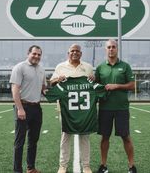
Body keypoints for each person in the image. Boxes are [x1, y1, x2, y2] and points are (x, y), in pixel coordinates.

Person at [50, 44, 94, 173]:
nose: (75, 53)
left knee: (84, 136)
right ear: (68, 53)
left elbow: (92, 85)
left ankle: (86, 165)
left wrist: (93, 78)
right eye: (72, 51)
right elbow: (51, 83)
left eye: (77, 51)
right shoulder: (60, 67)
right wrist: (58, 79)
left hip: (83, 110)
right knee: (66, 136)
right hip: (65, 109)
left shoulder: (88, 67)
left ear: (81, 53)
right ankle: (63, 165)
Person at [95, 39, 137, 173]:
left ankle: (131, 166)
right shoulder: (100, 67)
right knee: (105, 137)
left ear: (117, 49)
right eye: (109, 47)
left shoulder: (125, 66)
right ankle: (103, 165)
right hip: (105, 108)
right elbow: (95, 86)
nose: (111, 49)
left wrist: (117, 86)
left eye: (113, 47)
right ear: (105, 49)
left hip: (121, 108)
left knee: (126, 136)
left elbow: (132, 85)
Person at [10, 45, 46, 173]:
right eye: (34, 54)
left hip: (37, 108)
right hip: (23, 107)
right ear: (28, 53)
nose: (36, 56)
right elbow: (14, 89)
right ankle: (17, 170)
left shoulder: (41, 69)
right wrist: (20, 109)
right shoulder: (20, 67)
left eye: (39, 54)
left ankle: (31, 168)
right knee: (20, 141)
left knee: (33, 141)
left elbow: (43, 89)